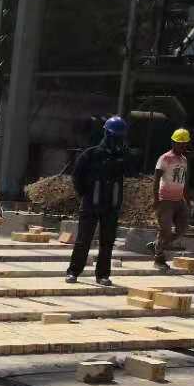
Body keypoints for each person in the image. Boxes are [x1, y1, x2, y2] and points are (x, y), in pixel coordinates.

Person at [66, 114, 131, 286]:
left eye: (120, 137)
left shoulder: (122, 156)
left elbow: (131, 172)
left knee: (107, 242)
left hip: (111, 205)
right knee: (83, 240)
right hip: (91, 203)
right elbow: (76, 176)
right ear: (107, 134)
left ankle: (103, 275)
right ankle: (73, 272)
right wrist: (85, 194)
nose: (117, 140)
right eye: (115, 136)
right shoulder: (91, 154)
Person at [153, 128, 194, 269]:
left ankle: (157, 245)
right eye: (179, 143)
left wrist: (187, 200)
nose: (182, 146)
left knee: (182, 229)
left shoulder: (184, 160)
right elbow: (156, 179)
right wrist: (156, 200)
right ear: (173, 143)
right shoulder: (164, 158)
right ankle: (159, 259)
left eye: (184, 144)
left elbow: (184, 182)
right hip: (165, 200)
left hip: (179, 200)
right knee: (165, 230)